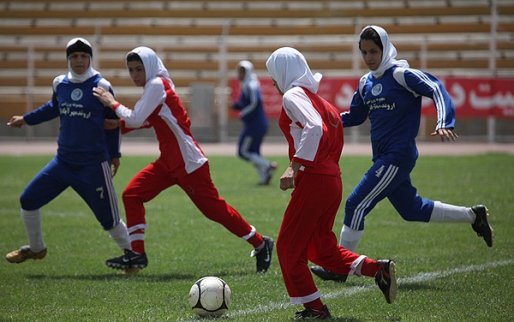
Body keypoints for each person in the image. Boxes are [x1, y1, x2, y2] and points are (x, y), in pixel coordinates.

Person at [311, 25, 494, 282]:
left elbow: (436, 88)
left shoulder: (400, 75)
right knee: (412, 209)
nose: (369, 57)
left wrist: (445, 121)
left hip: (398, 156)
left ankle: (339, 268)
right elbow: (355, 116)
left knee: (356, 203)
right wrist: (322, 122)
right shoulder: (365, 83)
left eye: (374, 51)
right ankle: (474, 216)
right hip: (384, 158)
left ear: (385, 48)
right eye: (364, 52)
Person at [92, 46, 274, 273]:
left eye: (139, 69)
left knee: (214, 210)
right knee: (132, 194)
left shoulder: (157, 84)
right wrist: (118, 125)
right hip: (169, 161)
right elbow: (153, 120)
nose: (135, 74)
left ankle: (260, 243)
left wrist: (112, 102)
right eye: (131, 70)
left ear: (149, 67)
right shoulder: (156, 85)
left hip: (188, 163)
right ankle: (137, 254)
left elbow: (138, 118)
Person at [266, 47, 397, 320]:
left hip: (314, 180)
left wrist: (294, 167)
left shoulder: (293, 95)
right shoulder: (320, 101)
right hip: (331, 180)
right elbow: (330, 134)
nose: (272, 83)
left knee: (289, 247)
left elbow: (315, 129)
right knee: (319, 248)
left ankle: (315, 309)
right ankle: (378, 269)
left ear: (283, 72)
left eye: (273, 75)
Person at [5, 38, 131, 265]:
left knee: (109, 219)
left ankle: (132, 256)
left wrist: (115, 155)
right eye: (74, 56)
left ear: (90, 58)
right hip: (63, 163)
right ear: (68, 59)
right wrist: (26, 119)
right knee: (28, 200)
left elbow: (113, 123)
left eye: (83, 56)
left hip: (93, 165)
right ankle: (36, 248)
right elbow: (53, 107)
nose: (79, 60)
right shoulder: (60, 83)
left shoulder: (101, 85)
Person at [232, 60, 277, 185]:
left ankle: (268, 166)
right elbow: (245, 103)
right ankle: (264, 177)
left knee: (243, 151)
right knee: (254, 153)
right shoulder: (250, 84)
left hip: (255, 124)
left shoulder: (250, 85)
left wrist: (243, 112)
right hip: (256, 123)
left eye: (242, 71)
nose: (239, 74)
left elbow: (254, 102)